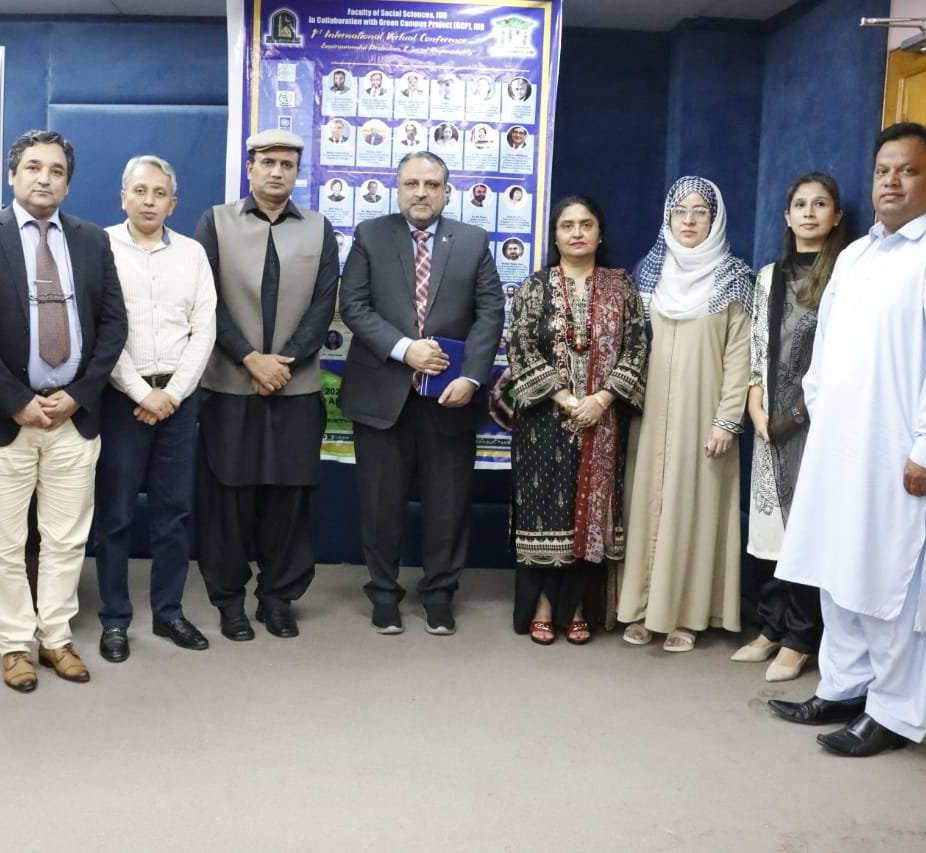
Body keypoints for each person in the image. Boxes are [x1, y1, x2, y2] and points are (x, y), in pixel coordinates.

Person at [767, 123, 926, 757]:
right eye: (882, 171)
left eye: (907, 170)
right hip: (843, 445)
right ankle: (844, 687)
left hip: (906, 454)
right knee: (841, 570)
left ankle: (893, 713)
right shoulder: (859, 256)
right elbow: (826, 347)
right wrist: (821, 410)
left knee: (897, 580)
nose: (891, 182)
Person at [0, 130, 127, 692]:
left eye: (56, 170)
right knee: (3, 545)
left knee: (66, 539)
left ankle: (56, 638)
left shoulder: (92, 239)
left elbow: (114, 325)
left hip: (74, 416)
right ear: (13, 175)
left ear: (67, 183)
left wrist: (80, 393)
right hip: (2, 420)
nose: (44, 178)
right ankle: (14, 645)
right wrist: (17, 400)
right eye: (32, 167)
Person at [339, 150, 504, 635]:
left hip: (449, 397)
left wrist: (471, 377)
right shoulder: (371, 235)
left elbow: (490, 313)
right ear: (398, 188)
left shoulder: (472, 241)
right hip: (381, 394)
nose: (421, 193)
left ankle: (439, 594)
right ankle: (383, 594)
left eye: (432, 185)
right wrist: (405, 349)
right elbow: (353, 305)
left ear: (446, 193)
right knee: (379, 504)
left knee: (448, 506)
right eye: (412, 183)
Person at [192, 129, 339, 641]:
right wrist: (252, 360)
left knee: (289, 500)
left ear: (298, 173)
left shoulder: (319, 229)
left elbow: (323, 307)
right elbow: (205, 299)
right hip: (231, 384)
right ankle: (229, 601)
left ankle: (278, 599)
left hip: (295, 388)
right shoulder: (216, 222)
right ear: (250, 167)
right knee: (228, 500)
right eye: (268, 162)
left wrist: (282, 365)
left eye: (287, 165)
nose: (277, 172)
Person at [617, 175, 753, 652]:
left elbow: (741, 357)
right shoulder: (649, 274)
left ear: (715, 219)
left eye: (700, 212)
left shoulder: (733, 277)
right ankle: (640, 608)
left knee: (696, 508)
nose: (689, 221)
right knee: (646, 504)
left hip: (704, 415)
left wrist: (727, 419)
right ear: (668, 218)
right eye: (680, 211)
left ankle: (688, 616)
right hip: (650, 413)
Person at [92, 155, 216, 663]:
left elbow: (204, 329)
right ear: (123, 196)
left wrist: (173, 395)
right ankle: (115, 619)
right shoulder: (99, 246)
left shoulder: (192, 254)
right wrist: (142, 393)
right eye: (140, 191)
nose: (149, 201)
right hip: (121, 400)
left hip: (179, 402)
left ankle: (169, 612)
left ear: (173, 203)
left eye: (159, 193)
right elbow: (101, 329)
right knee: (116, 514)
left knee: (175, 513)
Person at [508, 195, 647, 644]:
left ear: (599, 233)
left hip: (603, 421)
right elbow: (520, 347)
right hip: (544, 422)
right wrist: (568, 400)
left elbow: (637, 347)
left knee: (591, 516)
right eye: (567, 225)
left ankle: (581, 607)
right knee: (546, 514)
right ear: (555, 236)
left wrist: (602, 400)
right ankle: (544, 606)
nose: (577, 233)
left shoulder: (620, 285)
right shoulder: (535, 287)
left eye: (586, 224)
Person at [733, 172, 846, 682]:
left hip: (816, 420)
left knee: (806, 528)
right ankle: (771, 625)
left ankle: (801, 637)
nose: (809, 213)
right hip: (768, 419)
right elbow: (759, 344)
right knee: (770, 529)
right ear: (787, 216)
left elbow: (840, 356)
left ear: (836, 216)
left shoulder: (844, 275)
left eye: (820, 204)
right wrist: (755, 403)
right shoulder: (768, 276)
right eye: (800, 204)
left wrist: (797, 415)